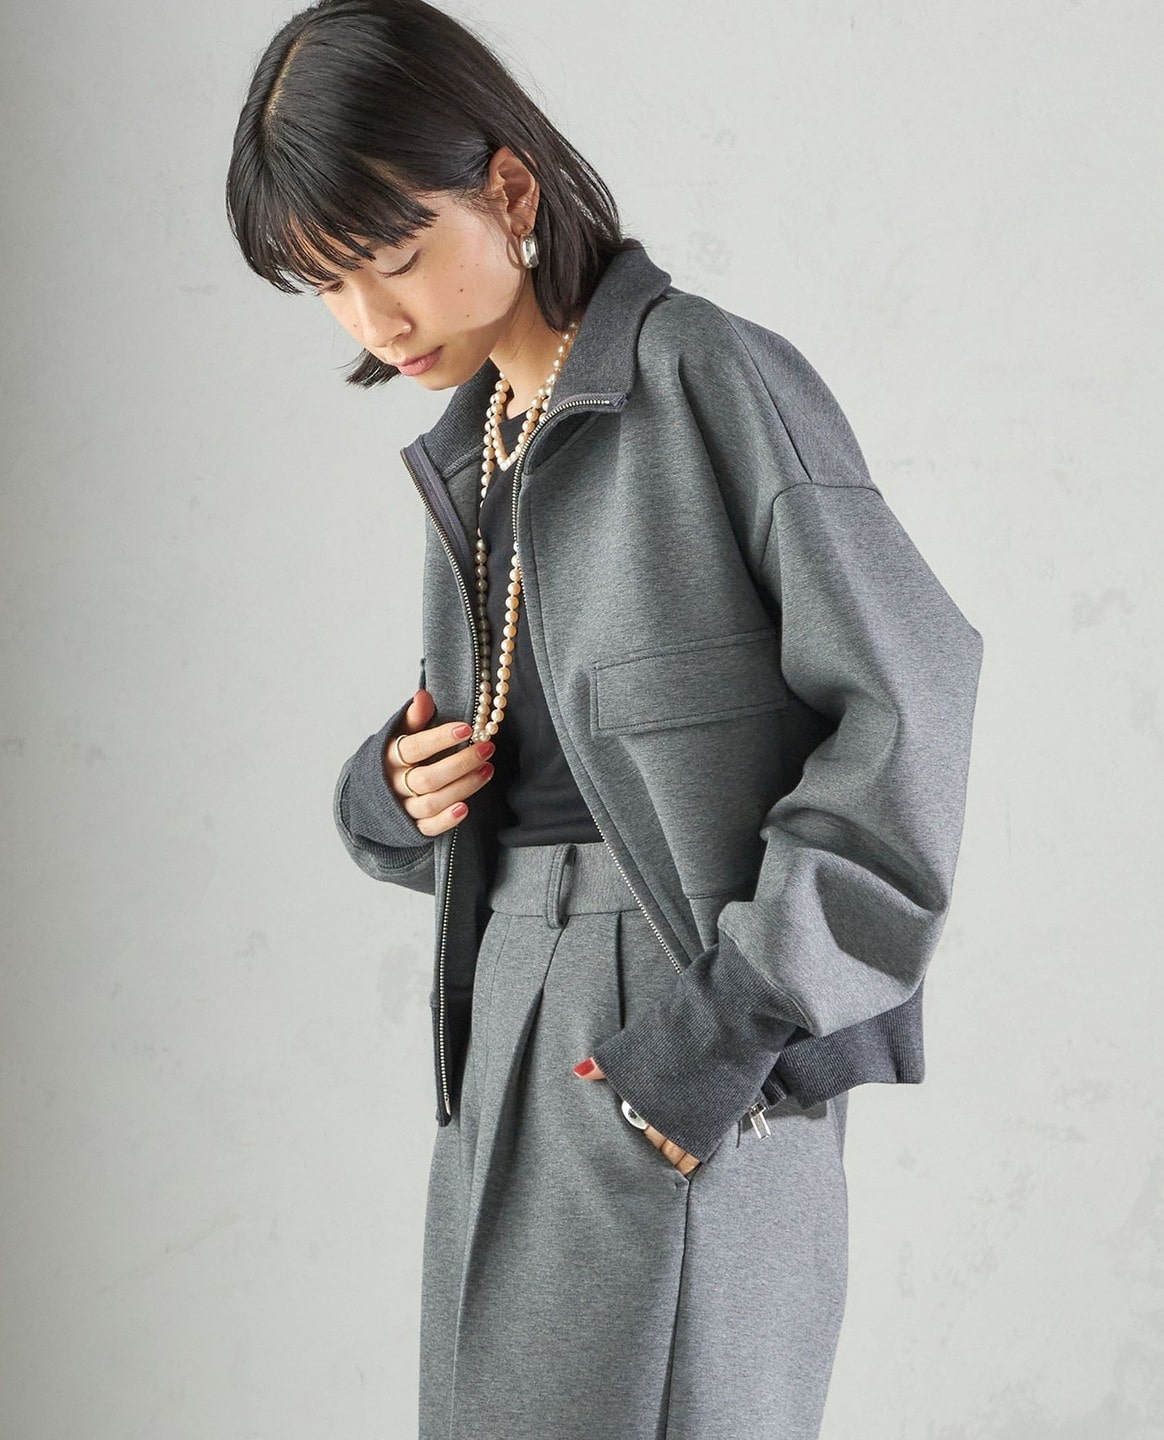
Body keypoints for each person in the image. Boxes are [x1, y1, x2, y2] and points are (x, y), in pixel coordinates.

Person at [226, 2, 984, 1435]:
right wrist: (388, 795)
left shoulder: (704, 376)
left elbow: (911, 702)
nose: (374, 323)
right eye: (330, 285)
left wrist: (729, 1027)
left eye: (395, 258)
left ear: (510, 192)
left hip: (685, 1020)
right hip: (507, 1008)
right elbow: (533, 771)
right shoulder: (480, 447)